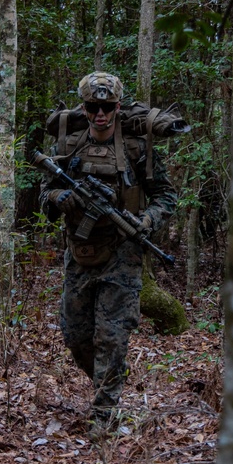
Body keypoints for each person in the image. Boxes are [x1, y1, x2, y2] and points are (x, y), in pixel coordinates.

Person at [40, 72, 177, 438]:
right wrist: (60, 199)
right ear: (84, 108)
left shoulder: (136, 149)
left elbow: (166, 196)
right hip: (79, 251)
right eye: (93, 107)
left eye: (108, 107)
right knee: (76, 336)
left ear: (118, 107)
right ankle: (108, 382)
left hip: (123, 253)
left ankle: (104, 415)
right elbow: (45, 193)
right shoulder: (68, 144)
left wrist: (145, 220)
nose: (100, 114)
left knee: (112, 338)